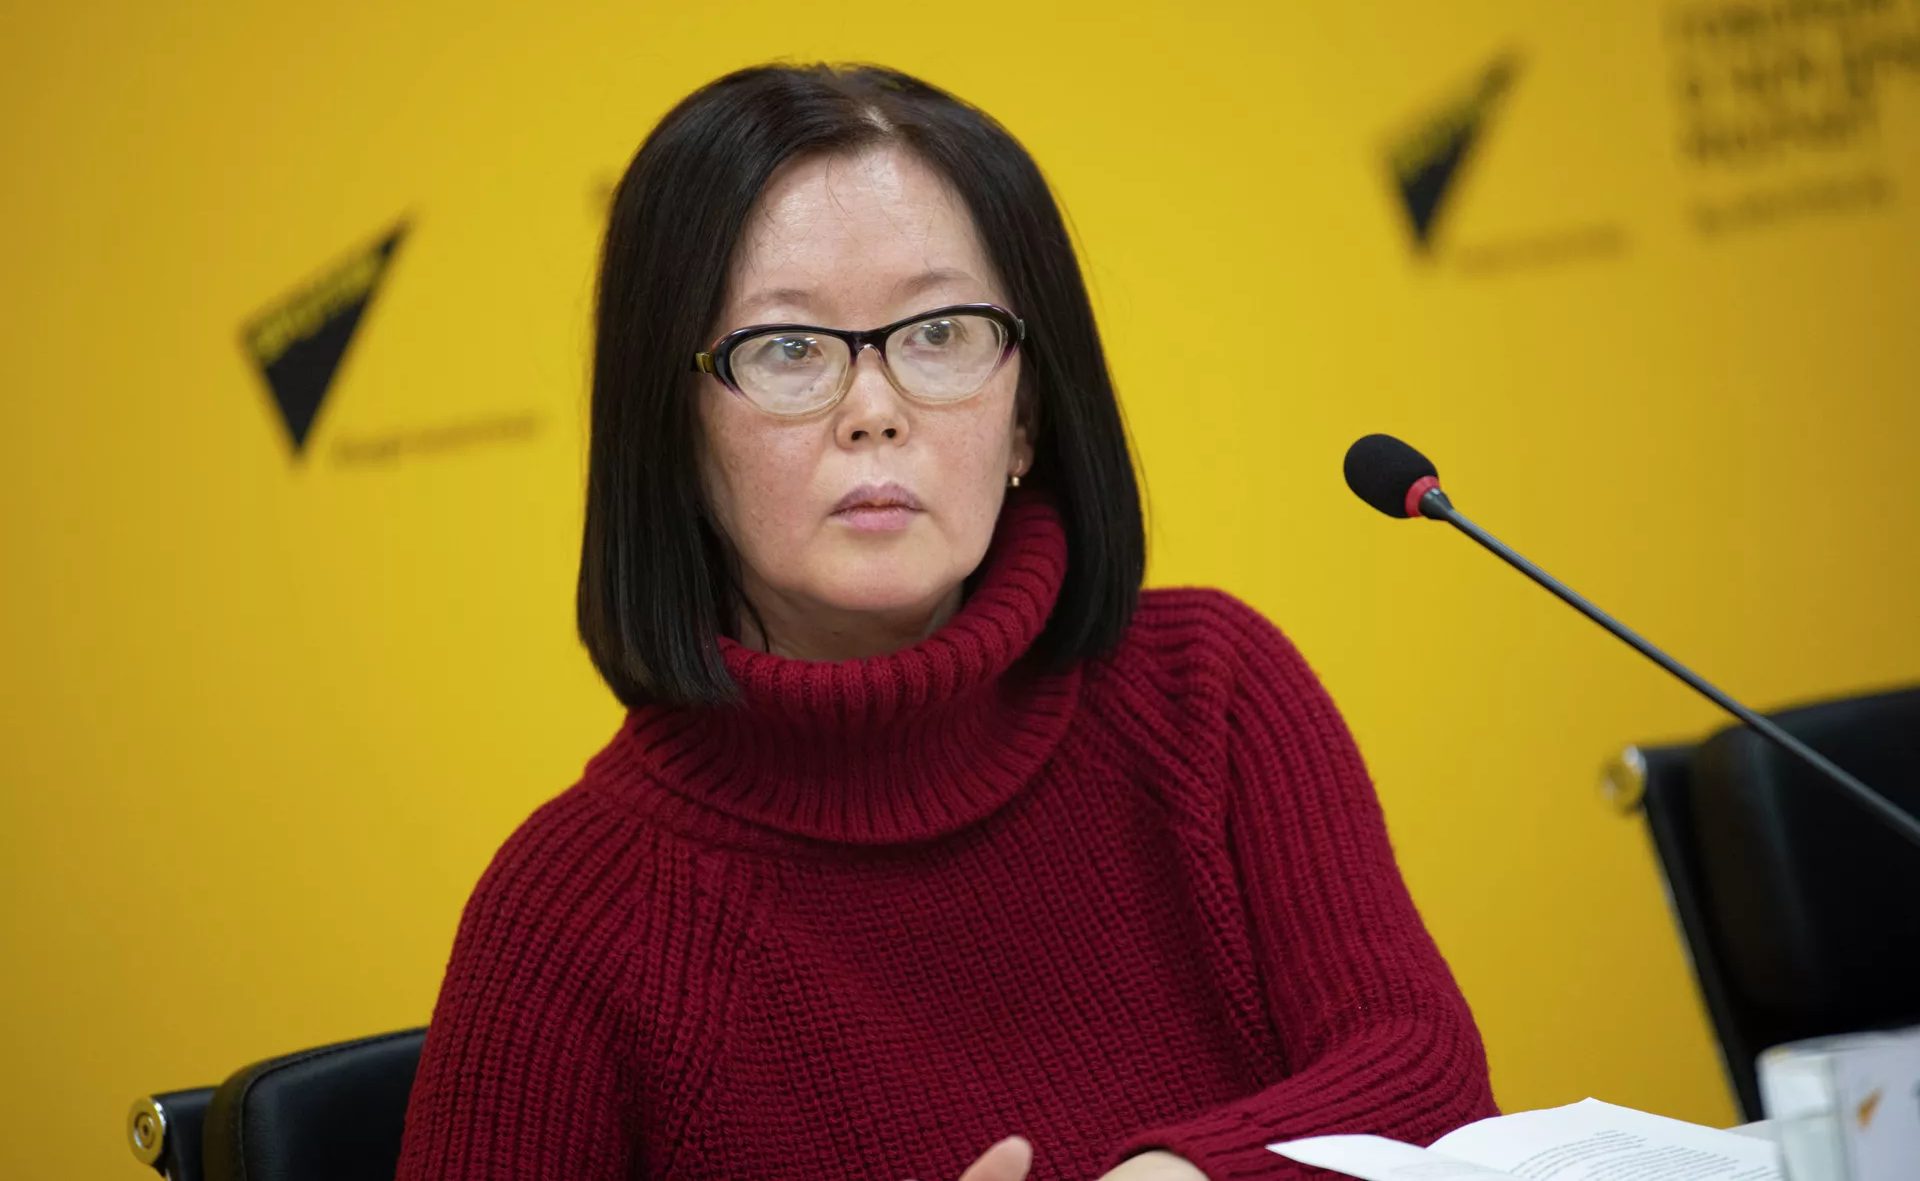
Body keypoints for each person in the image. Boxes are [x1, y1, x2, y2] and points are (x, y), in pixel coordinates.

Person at [395, 62, 1497, 1181]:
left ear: (1026, 416)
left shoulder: (1207, 696)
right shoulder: (571, 914)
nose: (874, 411)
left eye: (939, 334)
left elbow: (1428, 1081)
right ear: (673, 433)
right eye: (788, 349)